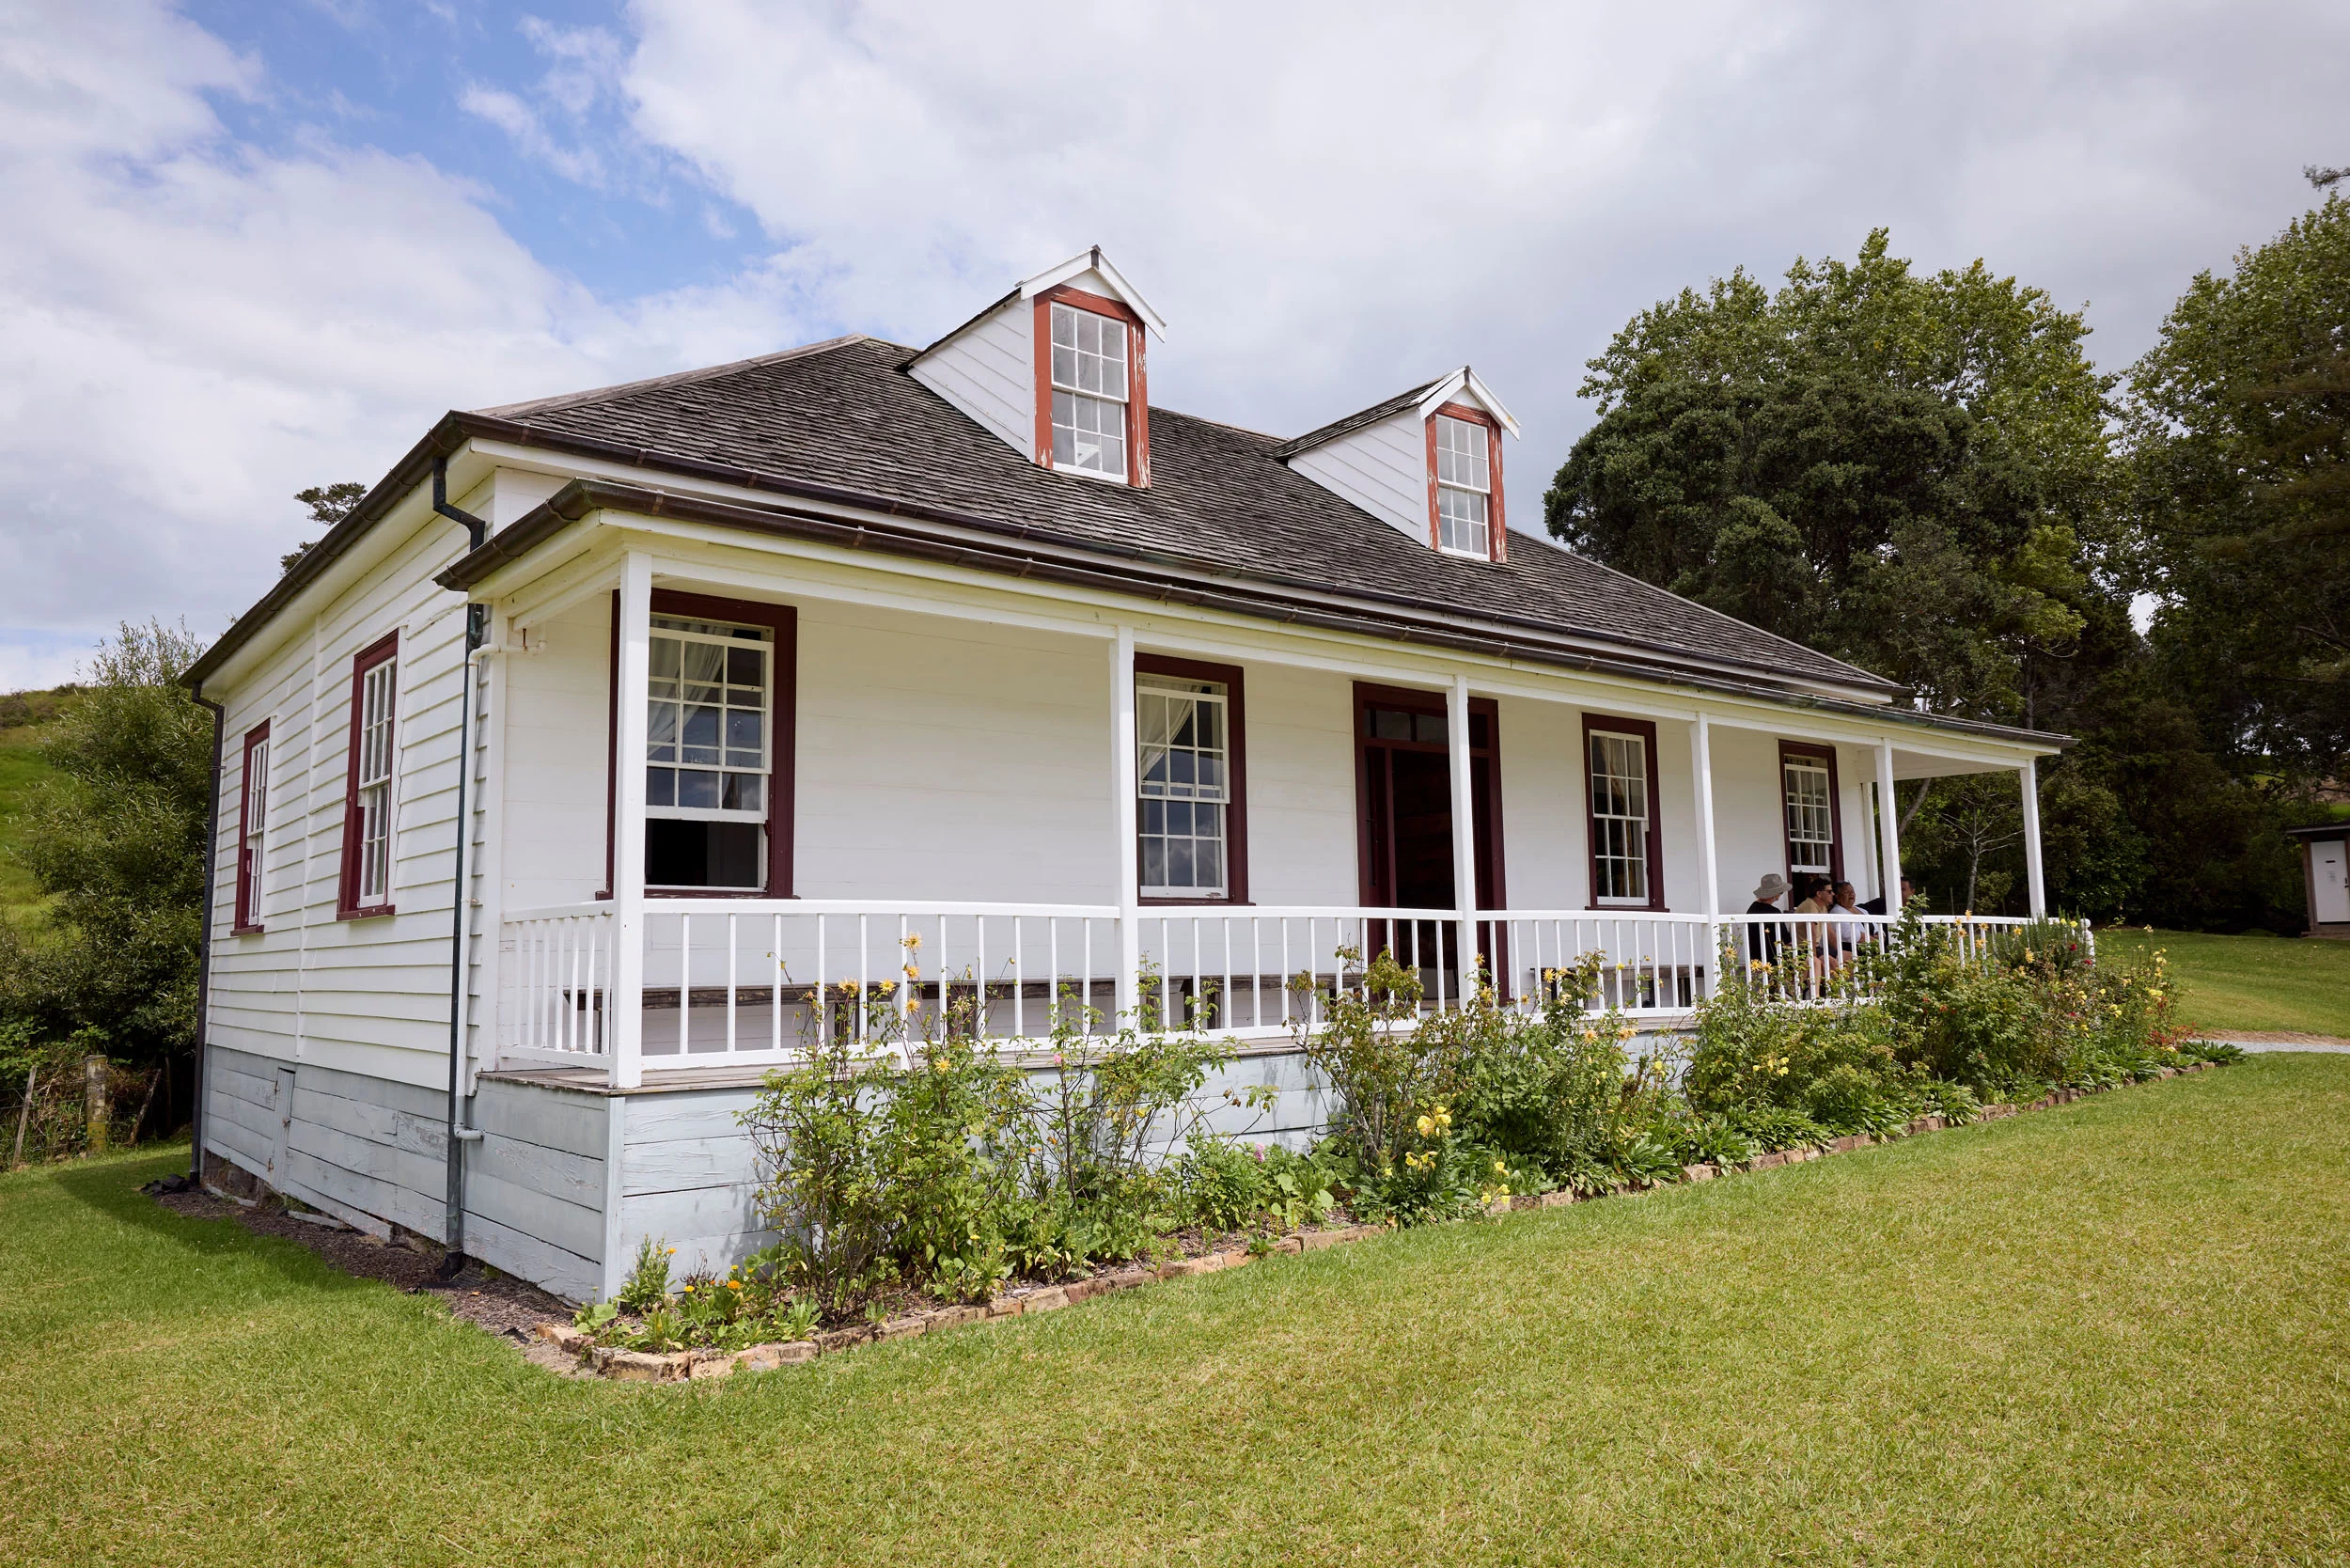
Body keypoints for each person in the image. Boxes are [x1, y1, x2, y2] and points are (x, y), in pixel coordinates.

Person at [1742, 874, 1789, 980]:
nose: (1781, 895)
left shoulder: (1752, 909)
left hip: (1756, 957)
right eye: (1780, 892)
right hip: (1774, 957)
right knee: (1811, 961)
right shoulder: (1774, 913)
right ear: (1774, 894)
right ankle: (1794, 992)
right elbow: (1787, 940)